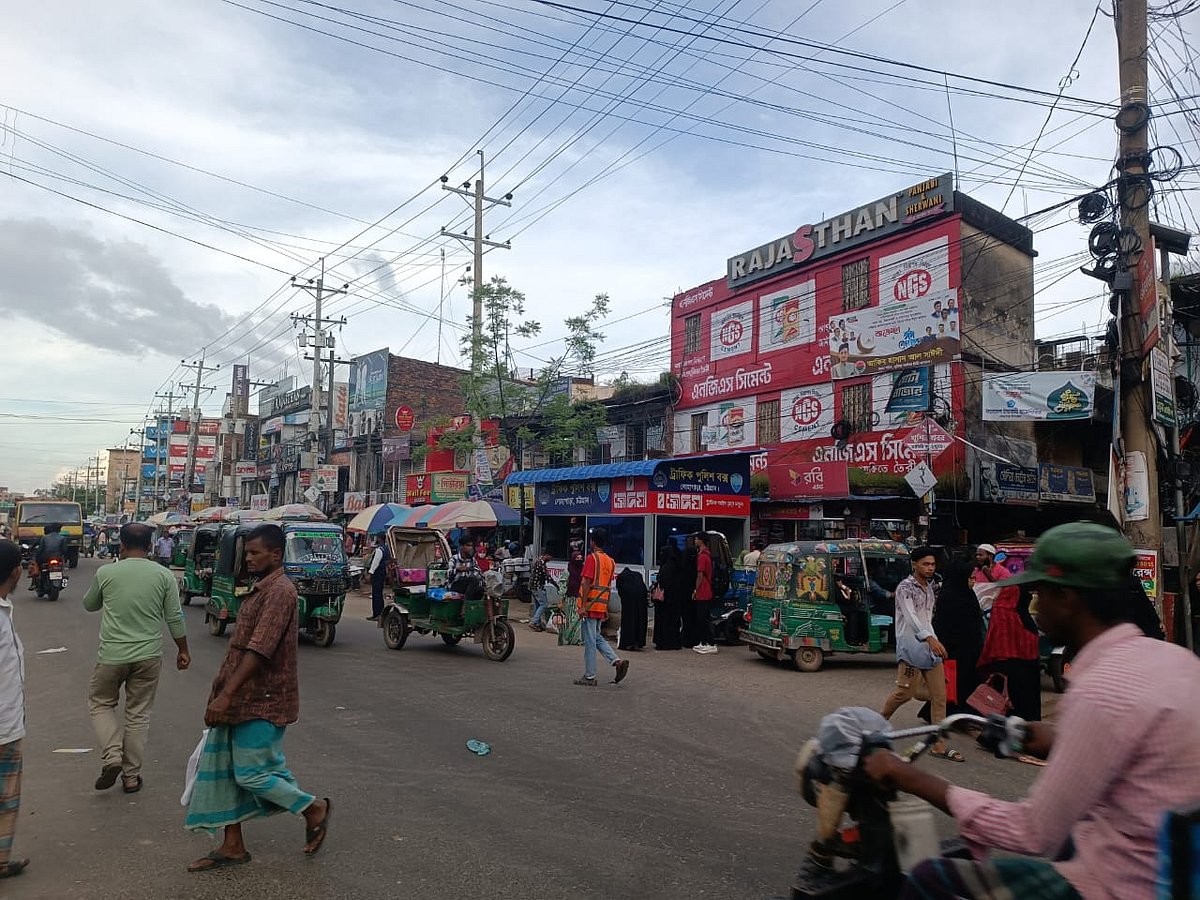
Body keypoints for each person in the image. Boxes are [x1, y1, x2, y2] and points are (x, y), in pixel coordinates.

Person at [865, 523, 1200, 900]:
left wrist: (908, 777)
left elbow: (1032, 831)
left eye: (1040, 593)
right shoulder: (1177, 661)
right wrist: (1034, 734)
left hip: (1115, 883)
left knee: (930, 876)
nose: (1035, 606)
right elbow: (1128, 746)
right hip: (1172, 869)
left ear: (1068, 598)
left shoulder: (1100, 689)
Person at [185, 524, 331, 872]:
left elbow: (260, 649)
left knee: (251, 774)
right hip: (237, 697)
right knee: (224, 770)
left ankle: (312, 809)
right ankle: (232, 845)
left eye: (255, 552)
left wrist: (227, 694)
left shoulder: (281, 591)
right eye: (246, 552)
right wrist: (222, 692)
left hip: (261, 700)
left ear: (276, 554)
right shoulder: (260, 588)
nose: (248, 558)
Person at [82, 523, 190, 794]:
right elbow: (174, 617)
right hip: (149, 655)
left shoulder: (106, 572)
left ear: (122, 544)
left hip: (112, 654)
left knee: (101, 703)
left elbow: (89, 604)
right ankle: (131, 777)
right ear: (151, 545)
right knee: (138, 715)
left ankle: (112, 756)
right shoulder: (164, 575)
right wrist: (183, 649)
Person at [879, 547, 961, 761]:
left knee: (940, 697)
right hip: (910, 646)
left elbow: (927, 618)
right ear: (914, 564)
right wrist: (929, 638)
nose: (930, 568)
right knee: (904, 694)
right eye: (925, 564)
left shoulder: (930, 587)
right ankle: (875, 727)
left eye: (933, 564)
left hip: (929, 646)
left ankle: (938, 745)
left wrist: (934, 640)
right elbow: (911, 617)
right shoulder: (905, 587)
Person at [0, 541, 28, 880]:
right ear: (16, 572)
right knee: (6, 798)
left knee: (7, 798)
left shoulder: (5, 610)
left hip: (9, 722)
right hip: (4, 725)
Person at [926, 556, 984, 718]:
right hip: (955, 649)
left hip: (970, 649)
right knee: (956, 684)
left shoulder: (967, 594)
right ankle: (956, 715)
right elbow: (944, 626)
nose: (973, 582)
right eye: (970, 578)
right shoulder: (951, 596)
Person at [977, 579, 1041, 722]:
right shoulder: (1010, 611)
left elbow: (995, 642)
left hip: (1011, 661)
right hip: (1020, 661)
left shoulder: (1002, 611)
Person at [573, 529, 629, 687]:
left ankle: (589, 676)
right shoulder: (610, 561)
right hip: (600, 605)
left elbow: (585, 582)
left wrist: (583, 606)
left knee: (590, 641)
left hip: (590, 605)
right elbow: (607, 586)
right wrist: (605, 609)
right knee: (596, 637)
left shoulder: (592, 559)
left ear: (593, 542)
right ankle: (616, 662)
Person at [687, 534, 717, 654]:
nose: (695, 540)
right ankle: (703, 641)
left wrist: (695, 589)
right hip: (704, 590)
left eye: (696, 539)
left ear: (701, 540)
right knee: (701, 618)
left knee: (703, 618)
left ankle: (710, 643)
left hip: (703, 591)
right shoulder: (704, 554)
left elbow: (700, 575)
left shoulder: (703, 557)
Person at [652, 543, 685, 650]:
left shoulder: (666, 567)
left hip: (665, 601)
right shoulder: (676, 566)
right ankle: (673, 642)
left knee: (664, 622)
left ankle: (664, 642)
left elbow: (663, 583)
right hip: (675, 600)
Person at [971, 543, 1012, 615]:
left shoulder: (1002, 571)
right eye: (977, 555)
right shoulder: (974, 571)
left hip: (996, 611)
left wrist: (989, 575)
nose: (977, 557)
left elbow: (1005, 589)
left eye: (980, 555)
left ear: (990, 556)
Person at [616, 567, 648, 651]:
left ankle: (628, 642)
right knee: (640, 619)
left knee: (628, 620)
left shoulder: (621, 577)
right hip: (641, 599)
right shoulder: (637, 575)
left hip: (629, 599)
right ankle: (639, 641)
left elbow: (621, 591)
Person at [528, 552, 555, 631]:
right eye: (550, 558)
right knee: (544, 604)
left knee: (538, 605)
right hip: (537, 587)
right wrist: (556, 585)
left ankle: (537, 623)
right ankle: (534, 621)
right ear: (546, 555)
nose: (550, 560)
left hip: (533, 586)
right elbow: (548, 577)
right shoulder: (541, 563)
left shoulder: (538, 561)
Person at [365, 533, 389, 622]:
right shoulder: (386, 549)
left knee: (376, 594)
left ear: (379, 538)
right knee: (379, 593)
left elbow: (375, 563)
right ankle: (381, 613)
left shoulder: (379, 550)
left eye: (377, 538)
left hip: (378, 573)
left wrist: (370, 573)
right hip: (382, 573)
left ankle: (377, 614)